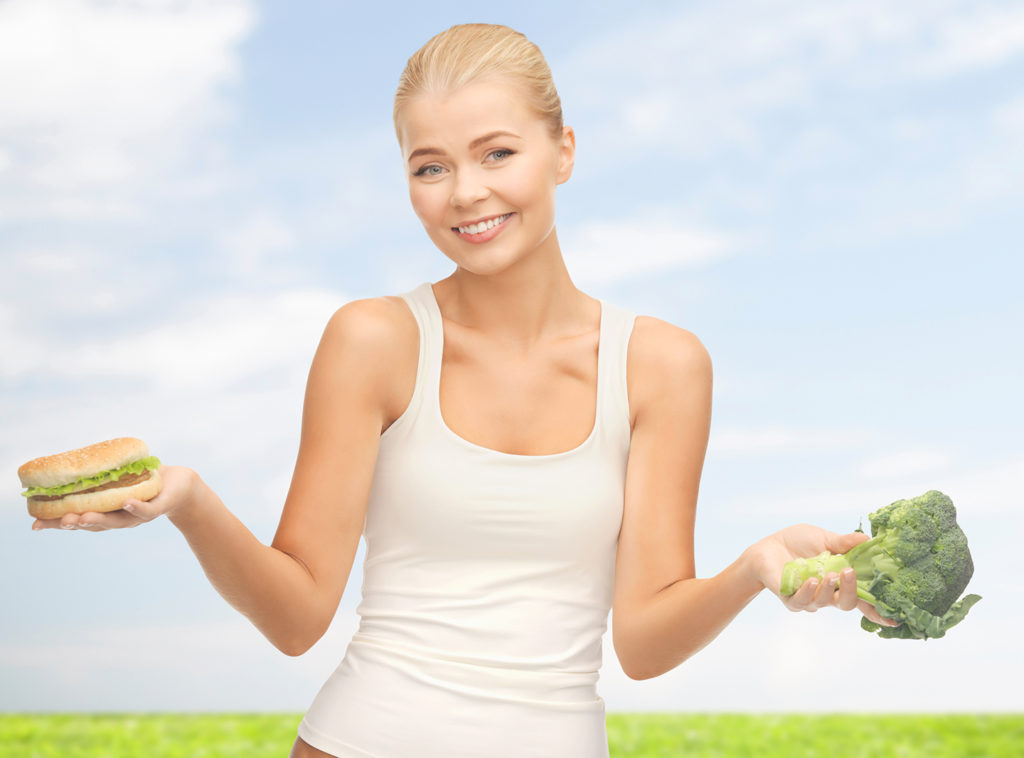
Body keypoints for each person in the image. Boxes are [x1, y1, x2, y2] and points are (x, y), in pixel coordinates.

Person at [32, 23, 896, 758]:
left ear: (563, 150)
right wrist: (187, 500)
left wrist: (751, 569)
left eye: (497, 153)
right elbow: (298, 618)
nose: (467, 193)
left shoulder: (663, 365)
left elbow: (642, 642)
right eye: (430, 167)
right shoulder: (373, 340)